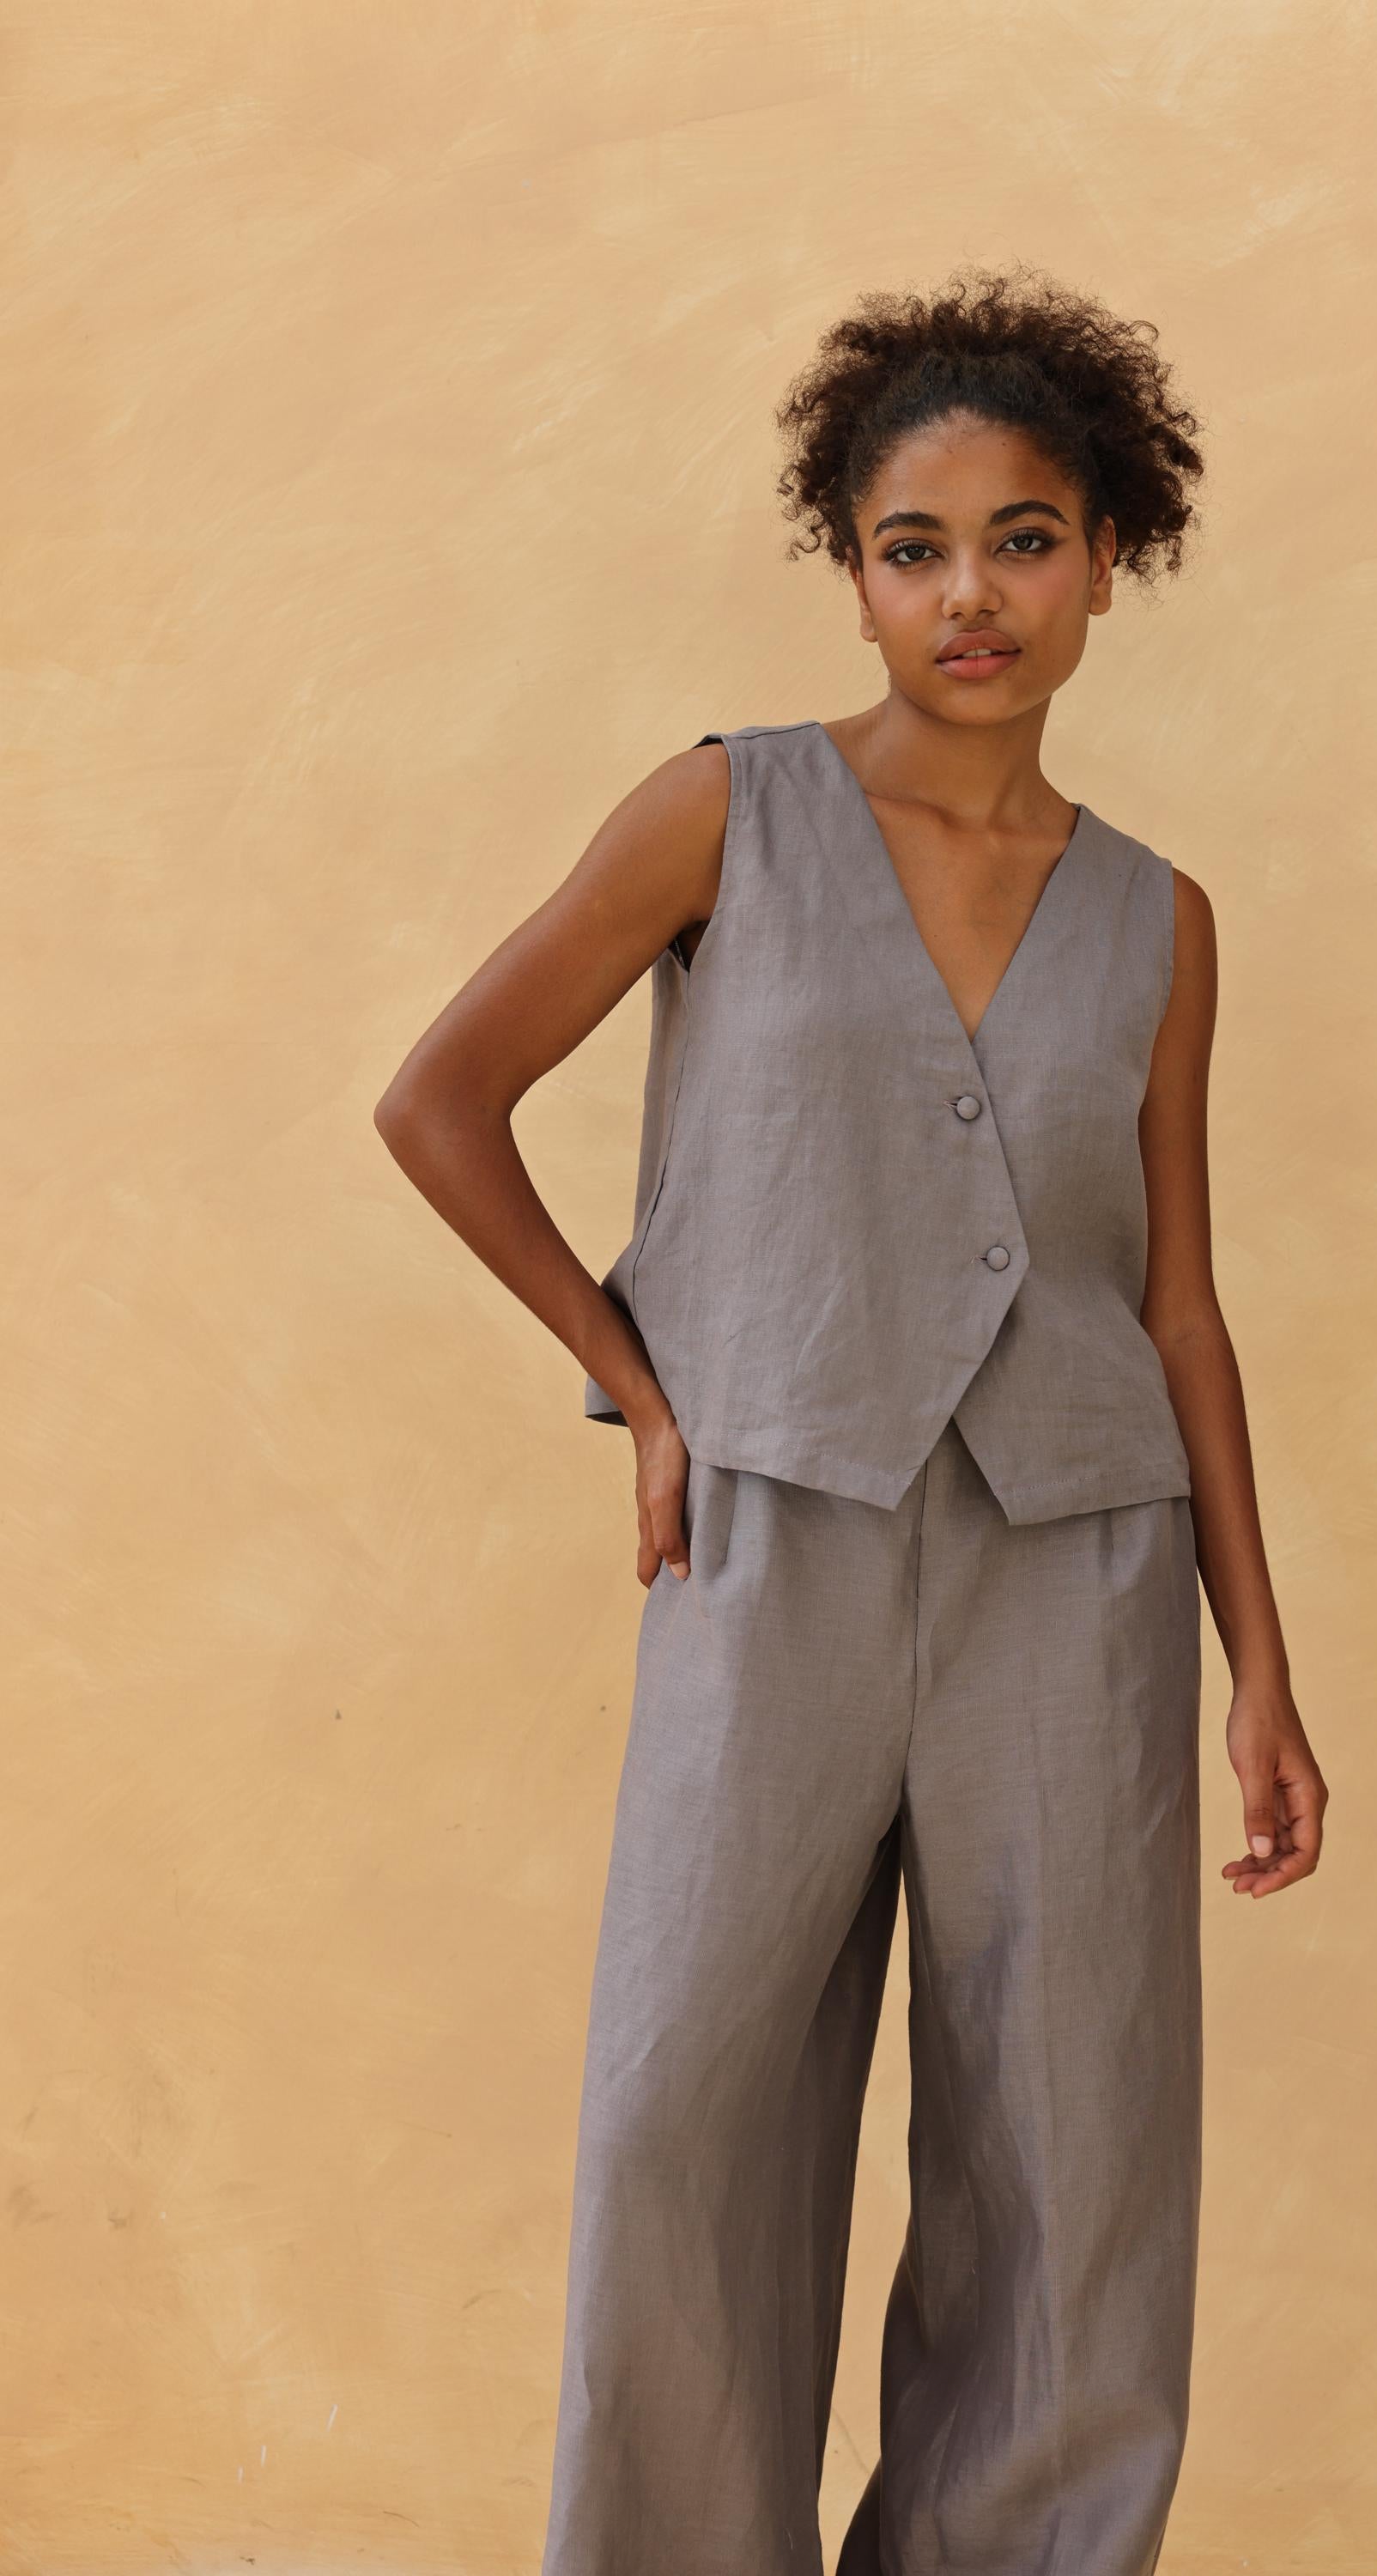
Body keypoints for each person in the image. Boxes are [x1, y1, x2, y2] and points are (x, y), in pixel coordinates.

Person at [374, 262, 1328, 2576]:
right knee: (688, 2121)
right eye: (916, 544)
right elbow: (442, 1101)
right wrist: (638, 1384)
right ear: (852, 564)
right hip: (775, 1538)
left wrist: (1263, 1670)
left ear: (1111, 557)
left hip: (1081, 1566)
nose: (970, 594)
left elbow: (1180, 1307)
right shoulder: (729, 816)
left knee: (1073, 2160)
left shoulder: (1161, 922)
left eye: (1024, 537)